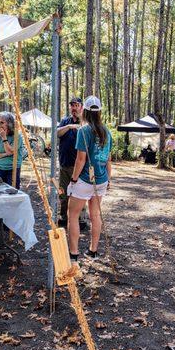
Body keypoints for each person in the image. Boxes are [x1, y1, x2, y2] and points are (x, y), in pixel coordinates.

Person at [67, 96, 112, 262]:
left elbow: (80, 160)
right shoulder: (106, 131)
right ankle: (93, 251)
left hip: (85, 179)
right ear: (99, 112)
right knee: (95, 215)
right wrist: (109, 180)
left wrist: (73, 180)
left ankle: (73, 253)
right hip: (101, 179)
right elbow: (108, 159)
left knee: (73, 214)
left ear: (84, 111)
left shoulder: (84, 131)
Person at [57, 97, 87, 229]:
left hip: (80, 166)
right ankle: (64, 217)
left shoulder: (85, 122)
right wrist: (69, 127)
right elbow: (57, 133)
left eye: (76, 105)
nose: (74, 108)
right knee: (63, 193)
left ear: (81, 107)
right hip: (65, 164)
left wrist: (80, 127)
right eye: (72, 105)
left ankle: (81, 219)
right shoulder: (65, 121)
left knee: (79, 193)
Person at [0, 111, 24, 188]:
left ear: (9, 124)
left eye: (2, 122)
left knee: (12, 192)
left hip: (12, 169)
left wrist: (4, 138)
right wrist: (5, 154)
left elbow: (10, 151)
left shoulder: (17, 136)